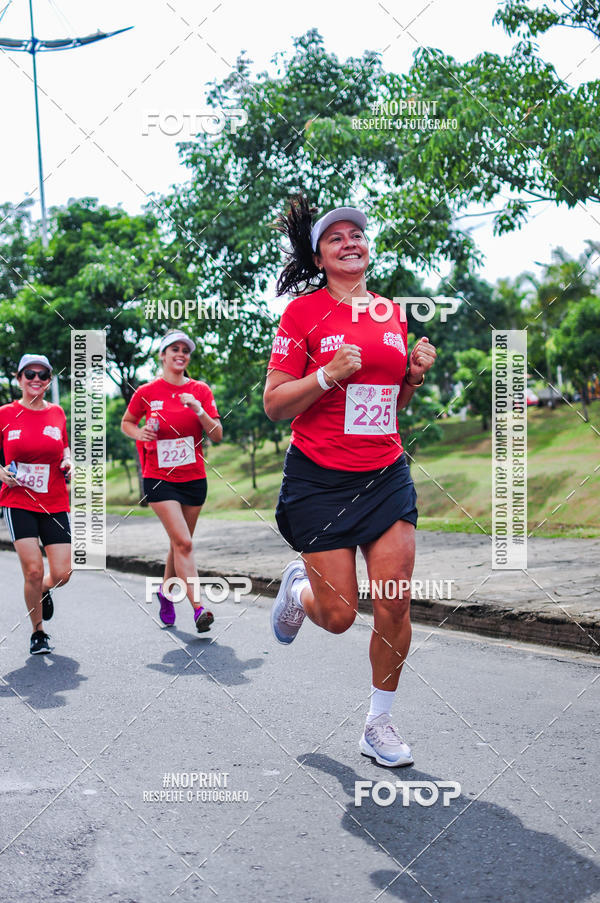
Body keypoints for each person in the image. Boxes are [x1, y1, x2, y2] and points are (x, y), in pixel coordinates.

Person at [264, 196, 436, 767]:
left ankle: (378, 723)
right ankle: (298, 590)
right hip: (319, 480)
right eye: (335, 238)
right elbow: (274, 405)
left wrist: (411, 377)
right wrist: (326, 374)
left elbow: (388, 405)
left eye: (356, 234)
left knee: (394, 602)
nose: (349, 243)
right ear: (319, 257)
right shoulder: (301, 315)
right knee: (338, 616)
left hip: (384, 474)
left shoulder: (391, 313)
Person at [121, 330, 223, 632]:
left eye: (185, 350)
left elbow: (217, 434)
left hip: (194, 479)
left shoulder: (200, 390)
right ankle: (198, 608)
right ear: (162, 355)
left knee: (179, 545)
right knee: (185, 543)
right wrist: (140, 433)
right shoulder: (147, 392)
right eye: (174, 349)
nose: (180, 354)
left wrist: (198, 409)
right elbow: (127, 422)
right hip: (159, 479)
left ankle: (165, 594)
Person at [0, 354, 72, 655]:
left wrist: (68, 461)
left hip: (54, 501)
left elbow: (64, 447)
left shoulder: (57, 413)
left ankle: (43, 589)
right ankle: (38, 632)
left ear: (49, 380)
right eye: (30, 374)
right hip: (18, 501)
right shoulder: (5, 414)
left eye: (43, 375)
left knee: (63, 573)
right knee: (32, 570)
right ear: (19, 379)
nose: (36, 380)